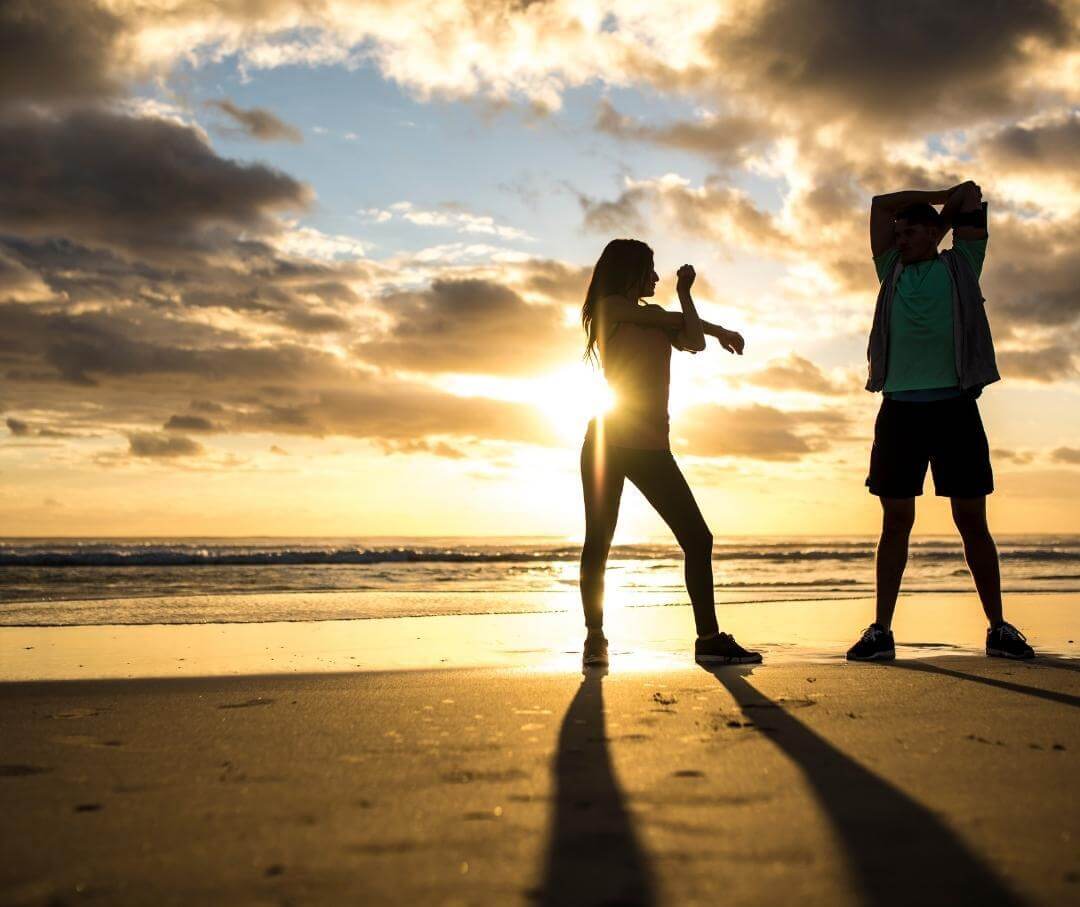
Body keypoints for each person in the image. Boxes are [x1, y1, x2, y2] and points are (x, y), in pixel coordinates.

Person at [847, 181, 1035, 661]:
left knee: (972, 520)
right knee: (896, 522)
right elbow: (878, 205)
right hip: (899, 411)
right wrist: (938, 199)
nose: (899, 239)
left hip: (954, 408)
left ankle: (998, 628)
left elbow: (971, 195)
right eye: (899, 233)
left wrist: (945, 217)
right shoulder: (889, 270)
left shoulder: (961, 266)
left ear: (932, 233)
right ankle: (881, 631)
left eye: (909, 233)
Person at [577, 238, 762, 668]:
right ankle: (595, 638)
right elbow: (685, 327)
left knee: (698, 538)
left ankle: (709, 640)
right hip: (607, 442)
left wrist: (686, 295)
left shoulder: (657, 317)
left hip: (651, 447)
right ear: (631, 271)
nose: (657, 278)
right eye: (651, 270)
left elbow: (692, 340)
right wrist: (719, 329)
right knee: (599, 540)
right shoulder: (609, 309)